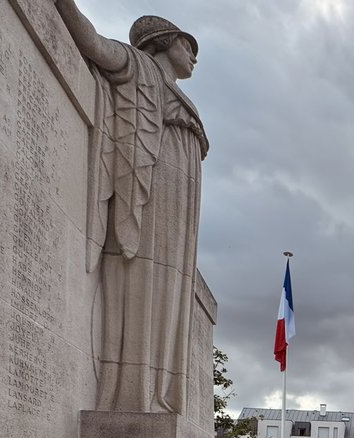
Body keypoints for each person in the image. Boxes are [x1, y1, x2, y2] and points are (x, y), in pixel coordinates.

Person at [54, 3, 210, 415]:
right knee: (144, 279)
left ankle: (160, 393)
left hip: (181, 204)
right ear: (162, 41)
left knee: (170, 290)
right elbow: (91, 42)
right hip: (150, 195)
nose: (194, 56)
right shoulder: (136, 64)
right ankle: (134, 394)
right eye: (187, 45)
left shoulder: (177, 91)